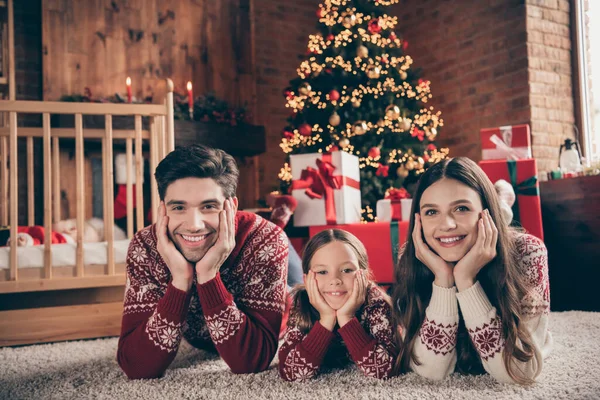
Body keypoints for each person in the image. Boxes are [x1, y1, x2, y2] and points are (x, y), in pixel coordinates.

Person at [117, 144, 289, 379]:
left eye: (208, 206)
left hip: (282, 302)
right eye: (178, 207)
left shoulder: (266, 239)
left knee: (306, 285)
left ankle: (281, 219)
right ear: (162, 210)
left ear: (232, 206)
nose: (194, 224)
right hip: (203, 331)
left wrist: (208, 275)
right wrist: (181, 280)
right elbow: (137, 367)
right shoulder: (146, 245)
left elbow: (250, 362)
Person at [391, 157, 552, 384]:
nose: (446, 224)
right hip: (468, 232)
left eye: (461, 208)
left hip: (497, 234)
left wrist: (466, 280)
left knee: (496, 224)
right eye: (431, 212)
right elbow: (430, 371)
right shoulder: (412, 255)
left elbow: (519, 371)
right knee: (461, 233)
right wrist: (443, 279)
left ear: (484, 209)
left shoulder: (528, 251)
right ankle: (499, 203)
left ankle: (500, 205)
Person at [278, 229, 396, 381]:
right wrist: (326, 319)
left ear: (364, 277)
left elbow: (385, 371)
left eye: (347, 270)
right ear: (307, 280)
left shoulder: (376, 303)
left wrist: (346, 317)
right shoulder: (302, 302)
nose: (335, 280)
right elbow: (291, 373)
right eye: (322, 272)